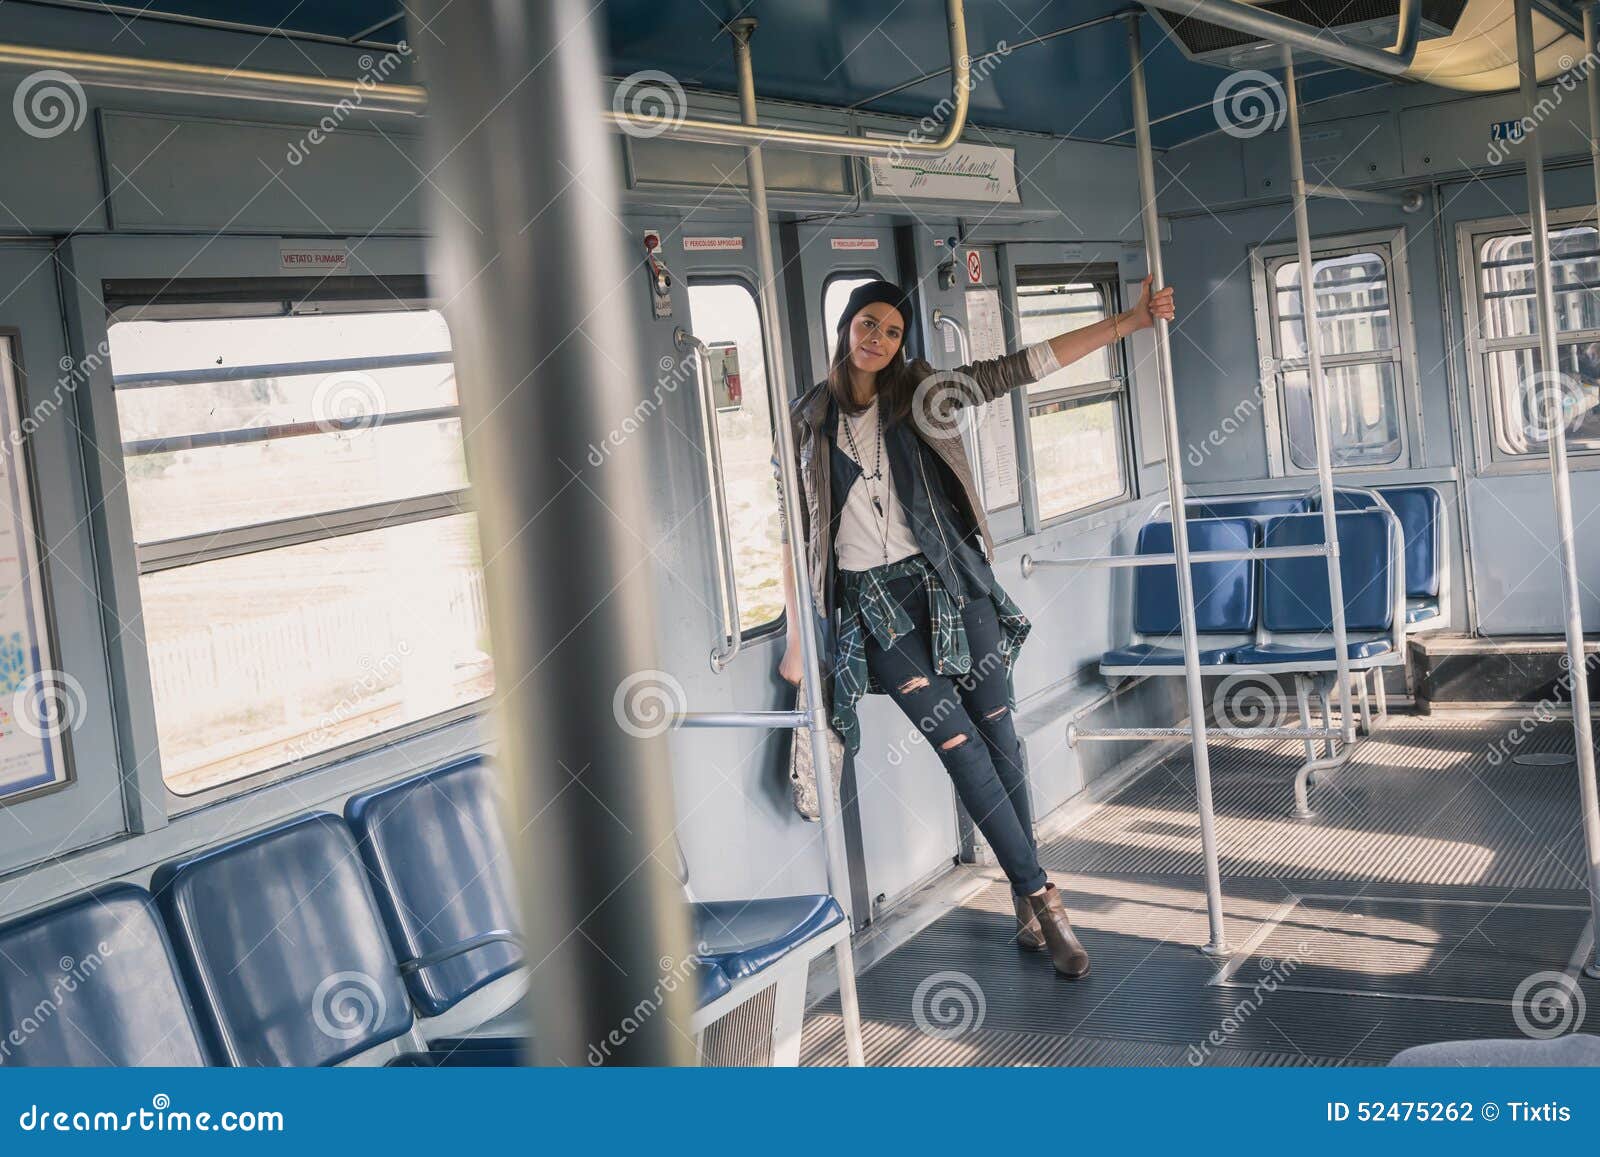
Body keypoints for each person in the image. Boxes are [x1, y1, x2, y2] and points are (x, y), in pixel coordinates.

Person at [773, 276, 1176, 979]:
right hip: (875, 604)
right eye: (867, 324)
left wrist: (1128, 323)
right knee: (959, 744)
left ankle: (1025, 896)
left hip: (953, 584)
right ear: (845, 327)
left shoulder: (920, 392)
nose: (877, 340)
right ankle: (1043, 898)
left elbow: (1021, 367)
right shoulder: (808, 417)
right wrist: (795, 639)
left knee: (998, 734)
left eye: (892, 332)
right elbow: (794, 533)